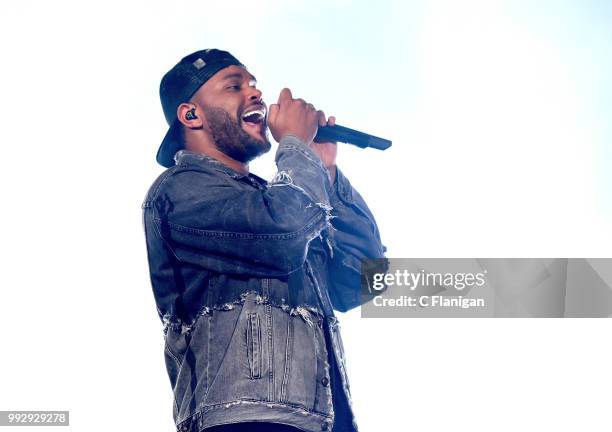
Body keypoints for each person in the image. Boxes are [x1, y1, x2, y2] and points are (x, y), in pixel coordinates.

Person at [142, 49, 386, 432]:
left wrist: (327, 171)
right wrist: (296, 148)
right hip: (246, 420)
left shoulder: (286, 198)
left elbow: (363, 282)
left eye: (254, 84)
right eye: (234, 86)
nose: (255, 94)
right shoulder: (179, 192)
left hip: (322, 421)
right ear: (191, 115)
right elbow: (282, 236)